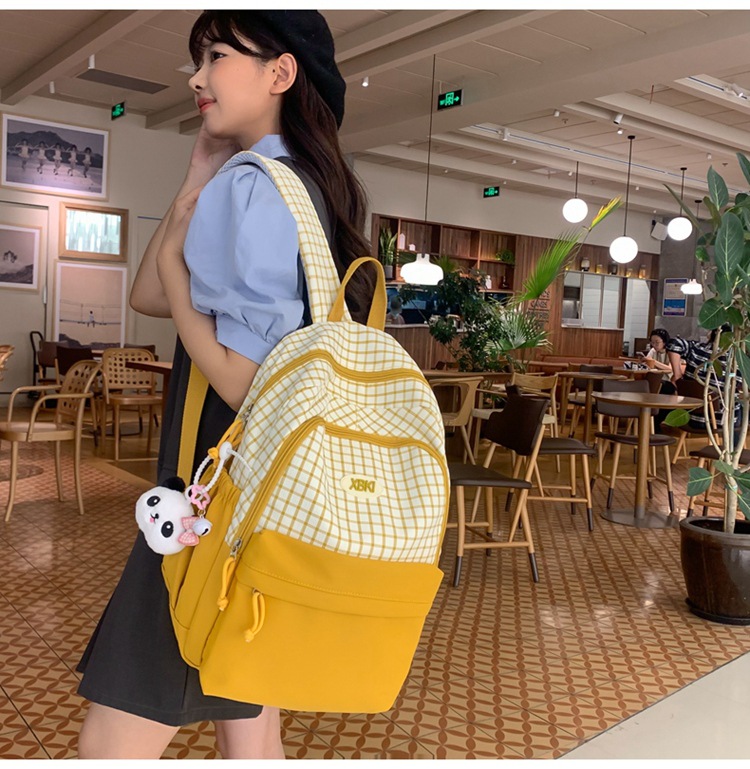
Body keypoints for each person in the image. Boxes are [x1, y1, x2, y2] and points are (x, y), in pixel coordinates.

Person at [76, 10, 373, 760]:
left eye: (215, 55)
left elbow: (245, 385)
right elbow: (150, 297)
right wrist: (194, 180)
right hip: (266, 508)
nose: (195, 77)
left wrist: (178, 271)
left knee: (112, 741)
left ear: (280, 73)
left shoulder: (251, 187)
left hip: (206, 504)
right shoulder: (309, 187)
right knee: (250, 721)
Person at [666, 325, 743, 434]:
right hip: (724, 422)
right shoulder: (737, 360)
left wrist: (677, 374)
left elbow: (674, 343)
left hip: (691, 418)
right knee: (740, 404)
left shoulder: (697, 350)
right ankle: (736, 444)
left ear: (712, 334)